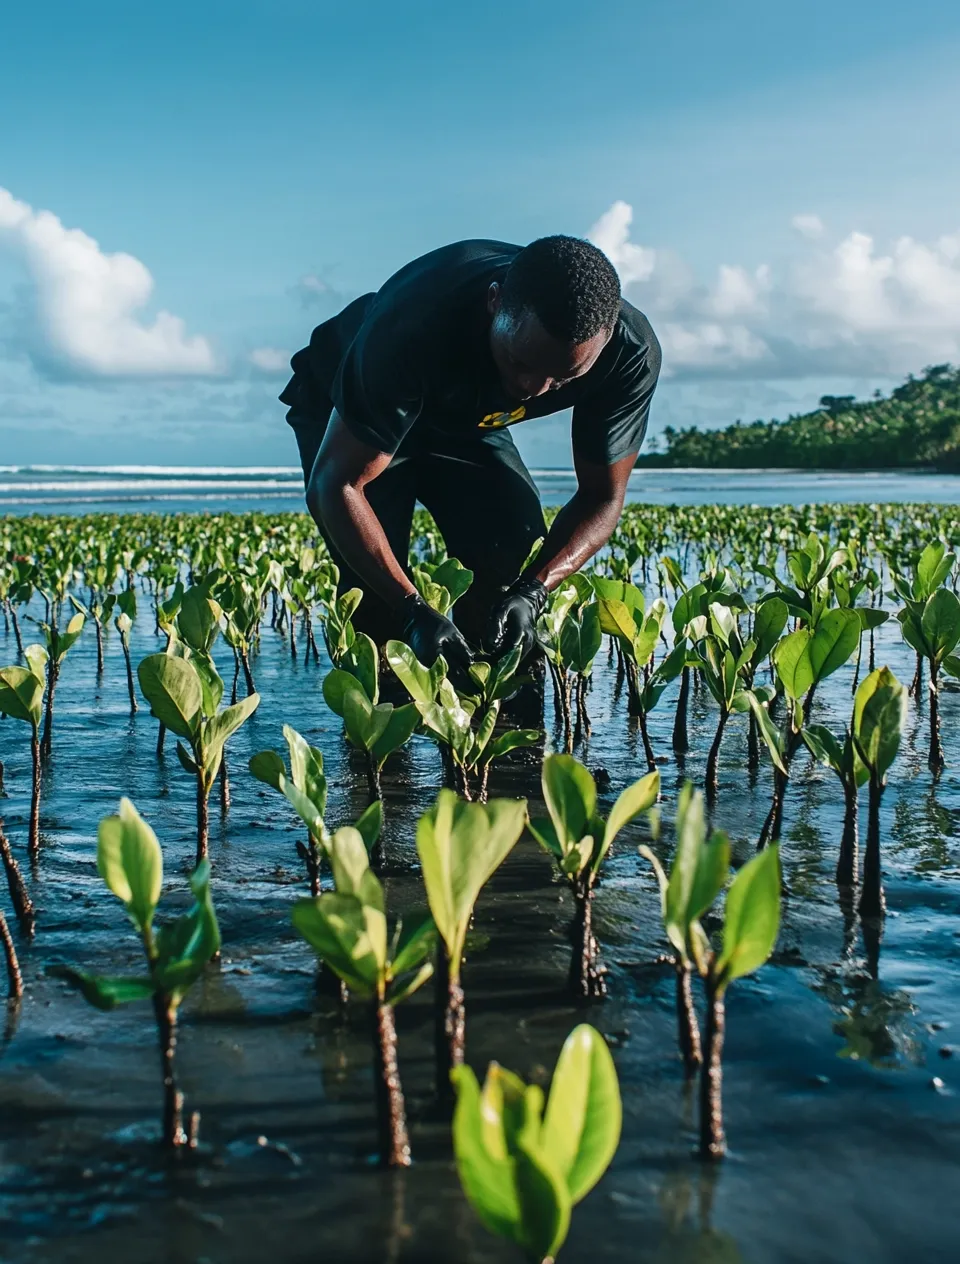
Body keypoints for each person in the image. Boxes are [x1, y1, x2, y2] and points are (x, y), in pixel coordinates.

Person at [280, 234, 661, 676]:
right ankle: (378, 741)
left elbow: (602, 497)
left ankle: (497, 735)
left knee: (510, 567)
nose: (533, 389)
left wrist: (533, 591)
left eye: (563, 378)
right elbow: (337, 484)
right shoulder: (415, 322)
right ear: (494, 302)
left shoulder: (629, 353)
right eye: (521, 362)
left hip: (467, 417)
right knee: (379, 606)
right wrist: (412, 609)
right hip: (355, 408)